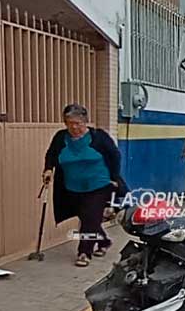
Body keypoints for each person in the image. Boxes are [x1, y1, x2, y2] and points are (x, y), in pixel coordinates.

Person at [42, 103, 127, 267]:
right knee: (88, 218)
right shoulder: (61, 137)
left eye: (77, 123)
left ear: (85, 122)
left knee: (90, 218)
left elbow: (114, 155)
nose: (74, 127)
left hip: (98, 184)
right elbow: (51, 154)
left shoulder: (98, 137)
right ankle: (103, 242)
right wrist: (48, 169)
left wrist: (114, 177)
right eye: (69, 123)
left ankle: (84, 252)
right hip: (73, 186)